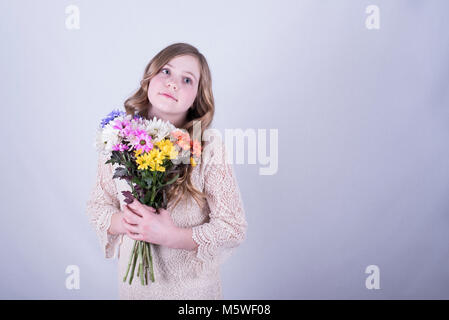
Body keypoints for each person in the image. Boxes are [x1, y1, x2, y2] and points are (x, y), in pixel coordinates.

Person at [86, 43, 248, 299]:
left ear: (197, 96)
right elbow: (98, 205)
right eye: (165, 71)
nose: (173, 83)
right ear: (149, 77)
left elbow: (232, 227)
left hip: (192, 294)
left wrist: (172, 236)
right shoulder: (118, 138)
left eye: (187, 79)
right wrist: (125, 223)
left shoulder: (209, 148)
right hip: (134, 291)